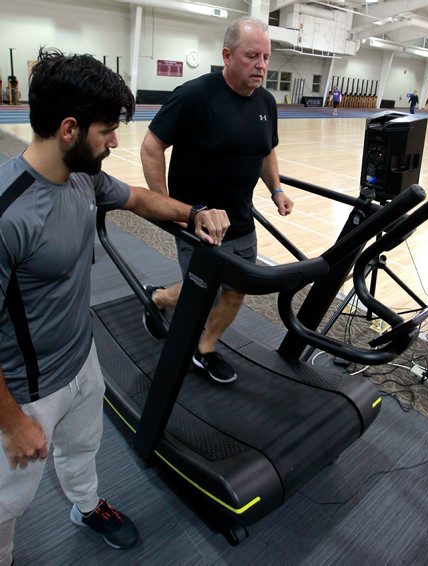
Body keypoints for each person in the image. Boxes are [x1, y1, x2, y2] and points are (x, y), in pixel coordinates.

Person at [0, 48, 229, 565]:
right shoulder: (9, 212)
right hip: (25, 390)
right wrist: (12, 422)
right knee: (6, 504)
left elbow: (140, 200)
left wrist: (193, 212)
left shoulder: (82, 178)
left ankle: (86, 506)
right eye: (107, 130)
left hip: (82, 359)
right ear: (68, 129)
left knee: (82, 449)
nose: (115, 141)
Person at [140, 17, 293, 384]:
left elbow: (266, 151)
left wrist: (276, 189)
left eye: (267, 57)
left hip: (241, 222)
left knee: (236, 292)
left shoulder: (266, 102)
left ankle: (205, 348)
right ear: (227, 55)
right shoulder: (194, 95)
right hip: (198, 222)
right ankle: (159, 299)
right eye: (252, 56)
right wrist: (167, 206)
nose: (262, 65)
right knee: (202, 293)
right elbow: (151, 146)